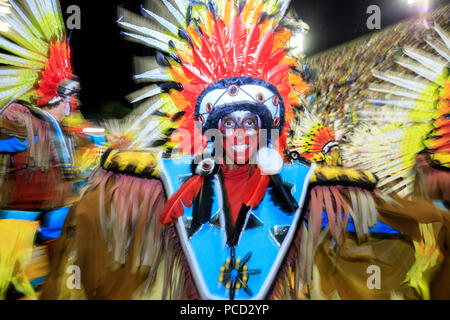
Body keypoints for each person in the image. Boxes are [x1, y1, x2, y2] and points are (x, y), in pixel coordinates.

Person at [42, 0, 448, 300]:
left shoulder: (306, 186)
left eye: (250, 122)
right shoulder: (161, 182)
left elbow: (396, 220)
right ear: (210, 130)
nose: (238, 134)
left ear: (268, 129)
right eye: (228, 123)